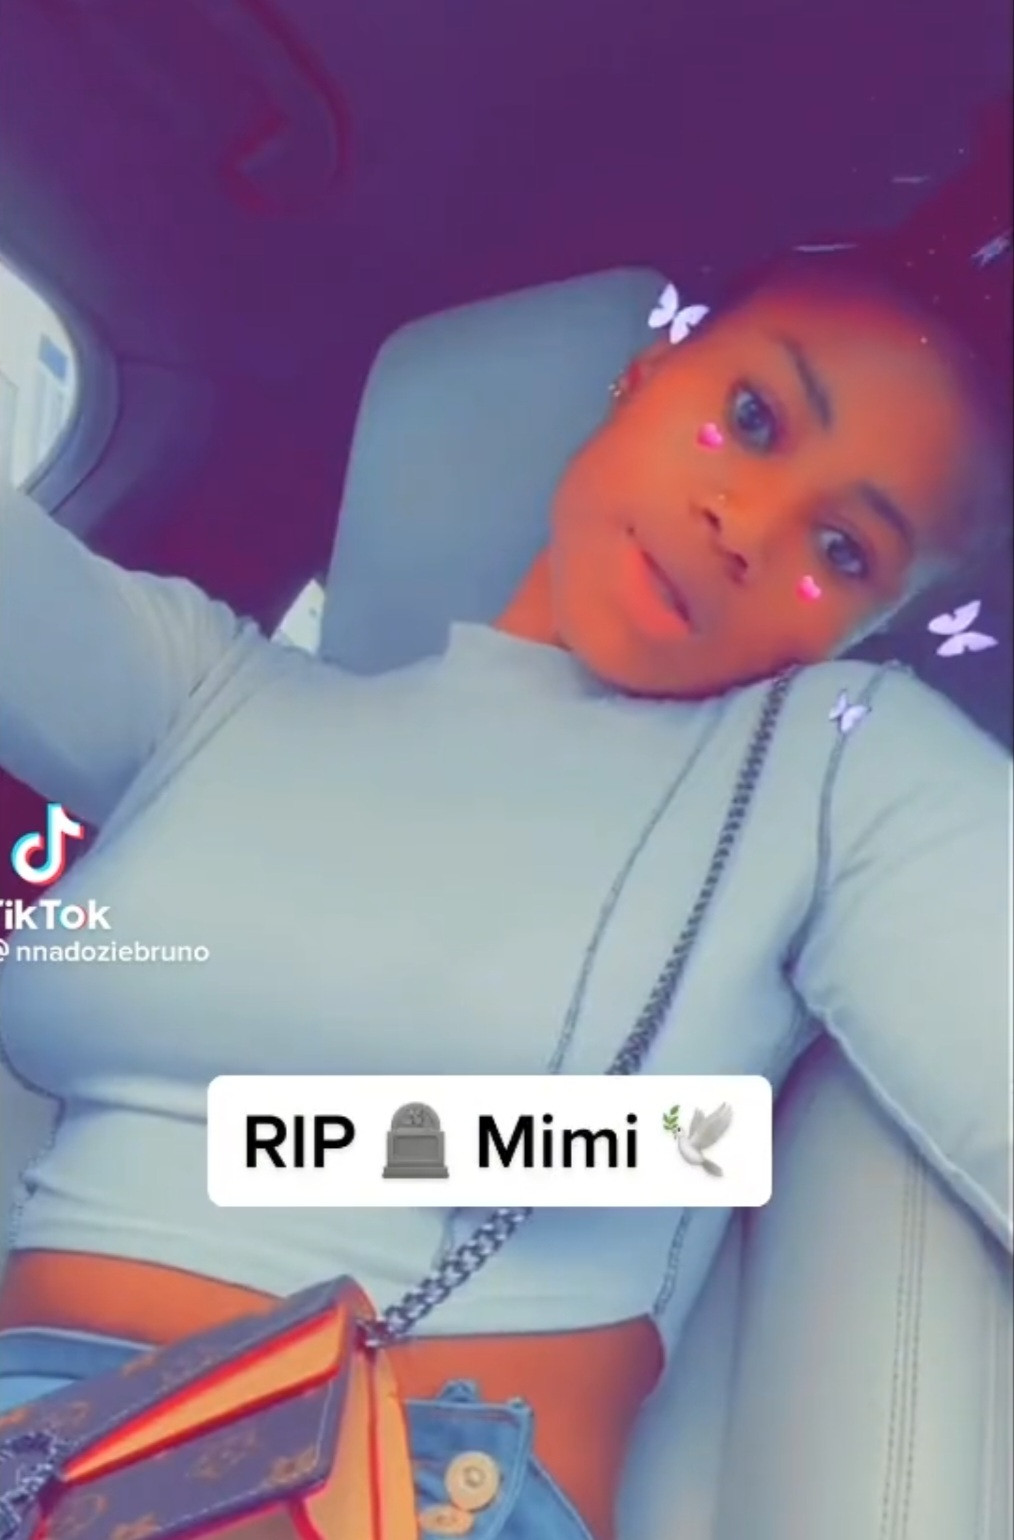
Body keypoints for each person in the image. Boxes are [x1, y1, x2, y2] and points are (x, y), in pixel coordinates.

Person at [0, 104, 1010, 1540]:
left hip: (396, 1492)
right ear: (643, 379)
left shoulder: (826, 761)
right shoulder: (220, 698)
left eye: (842, 549)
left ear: (866, 624)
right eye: (751, 419)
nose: (748, 525)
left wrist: (306, 1139)